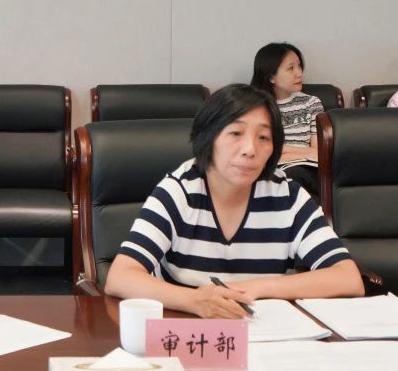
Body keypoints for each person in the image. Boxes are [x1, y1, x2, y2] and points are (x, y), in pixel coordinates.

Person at [104, 84, 364, 319]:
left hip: (264, 334)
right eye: (236, 133)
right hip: (187, 332)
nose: (250, 149)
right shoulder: (179, 191)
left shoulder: (287, 195)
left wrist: (253, 288)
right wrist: (194, 300)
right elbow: (120, 276)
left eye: (263, 137)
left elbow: (348, 278)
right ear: (209, 138)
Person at [250, 42, 322, 196]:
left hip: (307, 170)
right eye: (291, 68)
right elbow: (262, 151)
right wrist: (305, 153)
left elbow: (318, 152)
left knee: (294, 176)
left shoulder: (311, 103)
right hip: (270, 169)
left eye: (299, 66)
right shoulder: (257, 107)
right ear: (271, 77)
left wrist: (282, 151)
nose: (299, 73)